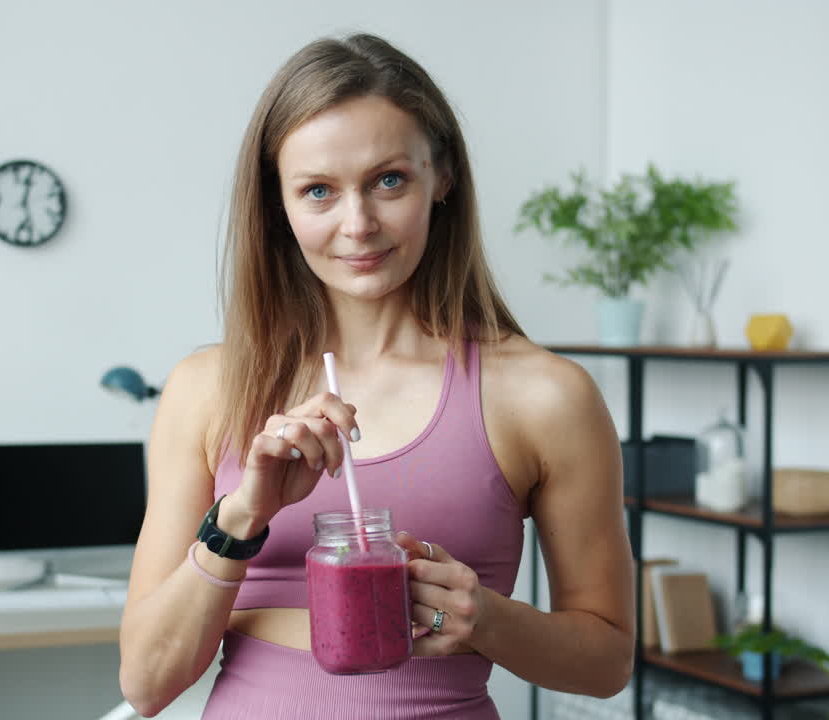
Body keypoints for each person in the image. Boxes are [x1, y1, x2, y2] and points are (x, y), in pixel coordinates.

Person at [120, 33, 634, 719]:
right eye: (318, 192)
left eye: (389, 180)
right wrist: (242, 515)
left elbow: (606, 664)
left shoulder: (544, 396)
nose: (357, 224)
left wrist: (486, 619)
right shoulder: (207, 389)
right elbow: (146, 685)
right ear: (278, 204)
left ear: (441, 176)